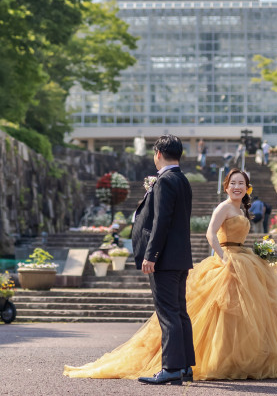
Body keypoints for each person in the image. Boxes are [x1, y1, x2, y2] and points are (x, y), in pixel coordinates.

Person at [65, 167, 277, 382]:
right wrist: (223, 256)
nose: (237, 187)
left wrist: (258, 252)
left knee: (246, 314)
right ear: (226, 186)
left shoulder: (242, 209)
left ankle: (241, 358)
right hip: (227, 259)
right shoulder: (224, 206)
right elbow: (210, 233)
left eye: (242, 183)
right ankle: (213, 360)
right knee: (221, 312)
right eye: (233, 183)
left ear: (247, 188)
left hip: (244, 258)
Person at [66, 135, 195, 385]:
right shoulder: (182, 180)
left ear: (157, 153)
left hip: (165, 259)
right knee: (180, 314)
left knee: (168, 314)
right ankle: (185, 367)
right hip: (179, 258)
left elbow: (161, 222)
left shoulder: (165, 181)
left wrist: (151, 254)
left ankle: (171, 367)